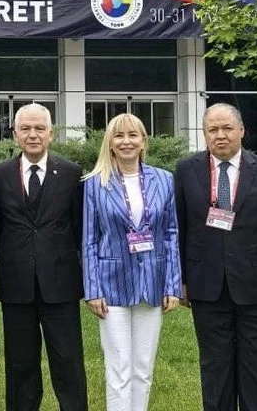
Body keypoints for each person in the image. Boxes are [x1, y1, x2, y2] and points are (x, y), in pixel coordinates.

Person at [175, 104, 257, 411]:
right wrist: (182, 280)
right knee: (215, 372)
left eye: (227, 128)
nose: (220, 135)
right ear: (204, 134)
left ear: (242, 130)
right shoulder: (186, 170)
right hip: (206, 287)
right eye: (213, 130)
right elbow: (180, 228)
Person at [0, 103, 88, 411]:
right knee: (20, 365)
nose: (33, 135)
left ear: (51, 134)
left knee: (68, 362)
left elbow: (79, 229)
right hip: (16, 285)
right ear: (15, 134)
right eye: (25, 129)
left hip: (60, 284)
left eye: (39, 128)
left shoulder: (71, 174)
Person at [82, 112, 182, 411]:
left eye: (132, 135)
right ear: (110, 143)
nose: (126, 141)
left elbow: (171, 234)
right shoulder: (95, 184)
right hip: (111, 286)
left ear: (143, 142)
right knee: (118, 368)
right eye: (119, 136)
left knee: (143, 368)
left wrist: (173, 284)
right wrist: (92, 289)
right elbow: (89, 239)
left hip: (152, 282)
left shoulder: (164, 180)